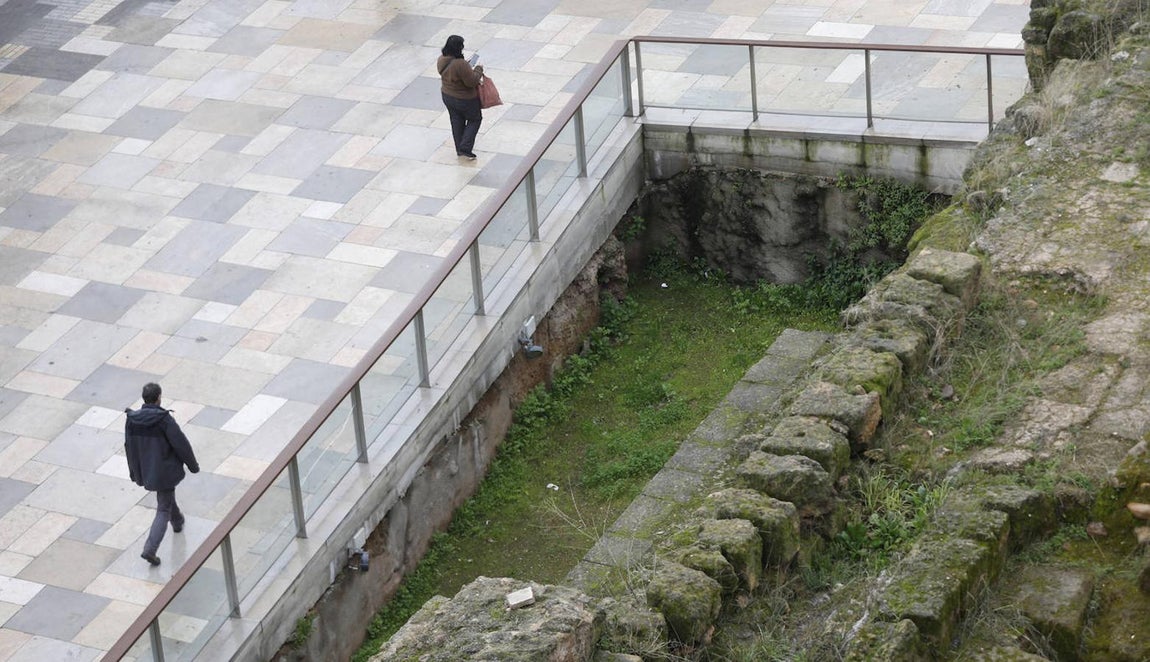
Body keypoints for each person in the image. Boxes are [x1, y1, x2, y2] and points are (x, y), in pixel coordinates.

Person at [125, 382, 199, 566]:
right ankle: (150, 549)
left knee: (166, 498)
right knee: (163, 507)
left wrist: (134, 471)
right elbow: (180, 444)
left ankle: (178, 520)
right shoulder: (163, 419)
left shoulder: (132, 419)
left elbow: (129, 447)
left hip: (147, 469)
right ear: (159, 397)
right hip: (164, 470)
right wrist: (193, 465)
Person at [437, 34, 484, 160]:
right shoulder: (460, 64)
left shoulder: (442, 59)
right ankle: (465, 147)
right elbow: (472, 82)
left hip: (447, 96)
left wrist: (466, 68)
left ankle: (460, 149)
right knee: (475, 119)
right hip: (465, 99)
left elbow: (453, 74)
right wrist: (478, 69)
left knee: (456, 120)